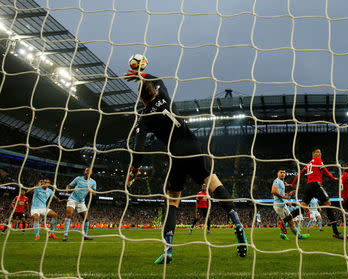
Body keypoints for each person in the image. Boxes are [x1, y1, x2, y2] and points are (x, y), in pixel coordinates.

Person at [124, 65, 247, 264]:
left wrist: (134, 170)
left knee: (173, 201)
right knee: (214, 183)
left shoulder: (143, 118)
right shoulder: (163, 94)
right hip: (194, 146)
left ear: (141, 98)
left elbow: (138, 150)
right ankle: (237, 223)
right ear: (154, 90)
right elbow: (158, 79)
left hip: (176, 154)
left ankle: (169, 249)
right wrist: (141, 74)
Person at [289, 148, 343, 239]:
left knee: (302, 208)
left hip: (308, 187)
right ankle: (336, 232)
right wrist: (333, 177)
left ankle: (284, 220)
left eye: (320, 152)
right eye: (318, 152)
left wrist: (293, 183)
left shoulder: (308, 164)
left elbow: (300, 174)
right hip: (316, 184)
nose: (320, 154)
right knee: (328, 205)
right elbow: (325, 170)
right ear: (313, 154)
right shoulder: (318, 160)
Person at [271, 169, 310, 241]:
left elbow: (283, 194)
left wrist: (289, 194)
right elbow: (273, 191)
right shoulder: (277, 181)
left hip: (282, 204)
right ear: (278, 173)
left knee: (290, 220)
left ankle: (296, 235)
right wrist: (284, 198)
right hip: (279, 205)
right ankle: (285, 234)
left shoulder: (282, 182)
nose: (283, 174)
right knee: (287, 221)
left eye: (284, 173)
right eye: (281, 172)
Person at [63, 168, 97, 242]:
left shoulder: (93, 182)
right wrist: (67, 188)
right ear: (84, 172)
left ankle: (85, 236)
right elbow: (69, 185)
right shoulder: (78, 178)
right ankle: (65, 235)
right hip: (72, 199)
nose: (87, 172)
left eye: (89, 171)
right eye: (86, 170)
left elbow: (94, 193)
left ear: (91, 173)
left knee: (86, 219)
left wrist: (90, 191)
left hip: (81, 202)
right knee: (69, 215)